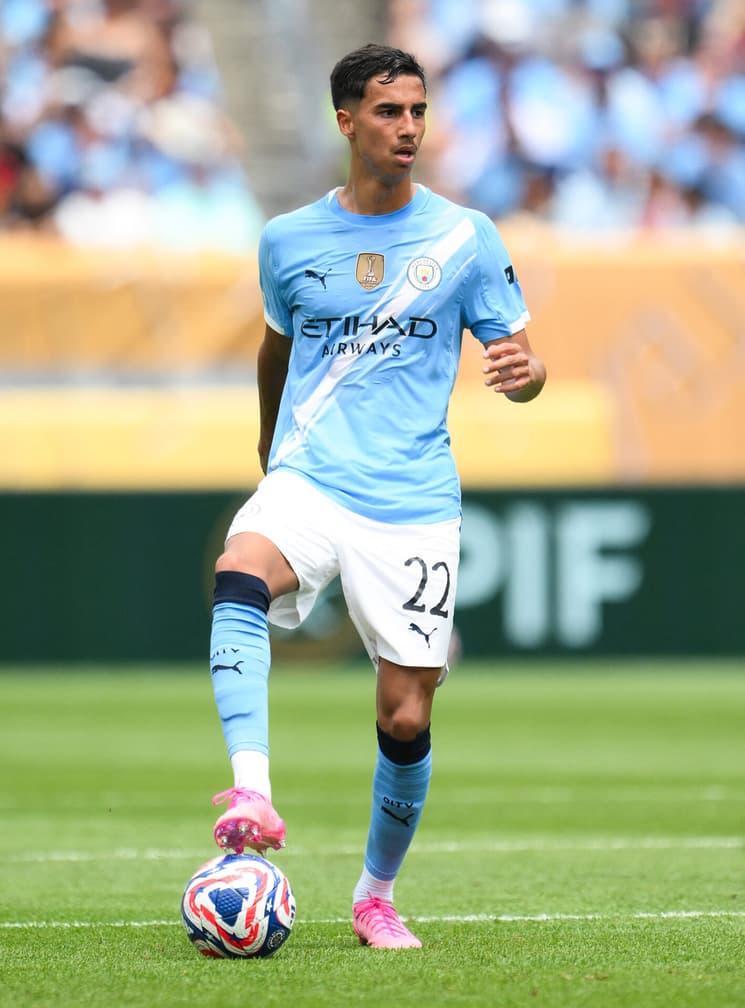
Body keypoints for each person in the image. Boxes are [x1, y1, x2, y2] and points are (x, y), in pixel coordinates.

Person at [207, 42, 546, 950]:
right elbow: (275, 351)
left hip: (412, 499)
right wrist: (269, 454)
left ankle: (373, 895)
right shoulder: (289, 240)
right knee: (239, 570)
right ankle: (251, 790)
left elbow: (521, 361)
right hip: (310, 476)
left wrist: (526, 374)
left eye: (418, 112)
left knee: (406, 712)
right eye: (389, 112)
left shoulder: (464, 236)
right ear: (345, 119)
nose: (408, 128)